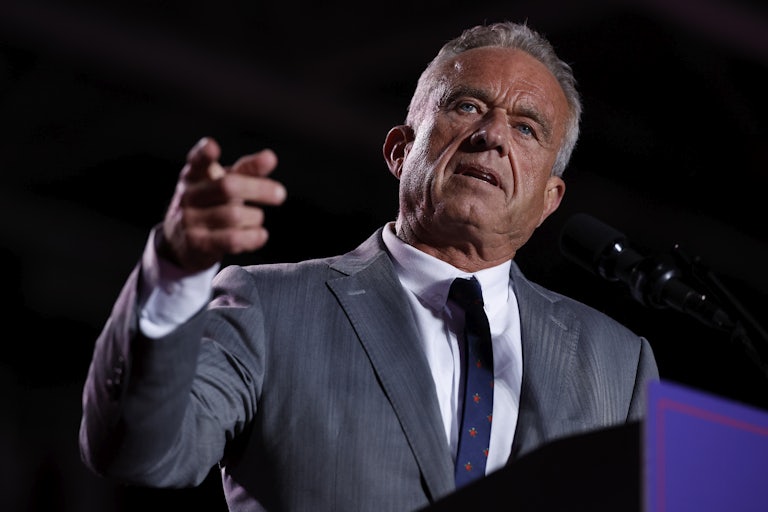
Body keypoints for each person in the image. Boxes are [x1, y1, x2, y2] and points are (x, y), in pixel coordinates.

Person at [79, 20, 659, 512]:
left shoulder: (619, 365)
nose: (491, 136)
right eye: (467, 105)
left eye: (527, 127)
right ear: (400, 151)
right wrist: (176, 271)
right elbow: (139, 451)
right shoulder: (268, 308)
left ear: (549, 199)